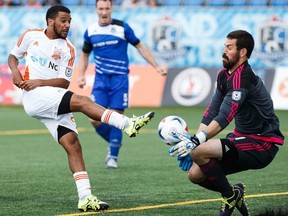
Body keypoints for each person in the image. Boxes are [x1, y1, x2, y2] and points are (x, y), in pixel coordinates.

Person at [8, 4, 154, 212]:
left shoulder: (69, 49)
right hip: (35, 97)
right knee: (84, 102)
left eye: (69, 21)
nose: (67, 25)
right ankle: (127, 124)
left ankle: (85, 197)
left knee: (73, 144)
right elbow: (13, 56)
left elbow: (64, 83)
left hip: (50, 94)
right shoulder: (30, 36)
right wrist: (15, 72)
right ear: (51, 21)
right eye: (63, 21)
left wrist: (39, 81)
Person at [169, 30, 284, 216]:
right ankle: (233, 194)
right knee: (194, 175)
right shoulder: (224, 75)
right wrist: (194, 142)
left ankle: (229, 197)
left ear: (243, 52)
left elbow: (225, 115)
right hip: (241, 139)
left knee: (199, 150)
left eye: (229, 47)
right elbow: (211, 112)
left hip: (262, 144)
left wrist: (197, 143)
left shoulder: (243, 77)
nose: (224, 51)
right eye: (225, 46)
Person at [77, 0, 167, 169]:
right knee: (93, 119)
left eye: (107, 8)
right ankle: (115, 142)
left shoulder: (122, 27)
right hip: (100, 80)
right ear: (96, 10)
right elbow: (84, 55)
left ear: (112, 8)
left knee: (117, 116)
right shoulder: (90, 31)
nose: (104, 12)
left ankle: (112, 156)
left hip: (120, 80)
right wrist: (80, 75)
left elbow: (140, 46)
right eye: (101, 8)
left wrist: (156, 66)